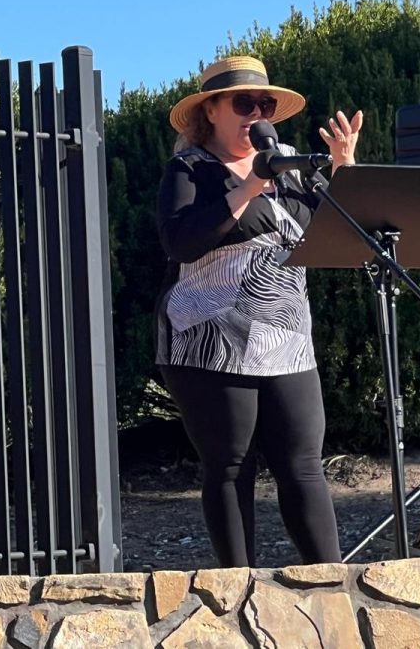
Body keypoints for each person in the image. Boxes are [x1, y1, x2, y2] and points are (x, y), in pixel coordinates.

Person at [155, 55, 363, 567]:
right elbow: (181, 242)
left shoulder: (292, 164)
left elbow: (338, 236)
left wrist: (343, 171)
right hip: (209, 342)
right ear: (213, 112)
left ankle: (330, 585)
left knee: (304, 466)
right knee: (230, 466)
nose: (257, 112)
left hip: (287, 339)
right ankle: (239, 594)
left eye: (265, 103)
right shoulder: (190, 170)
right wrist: (249, 187)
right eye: (244, 103)